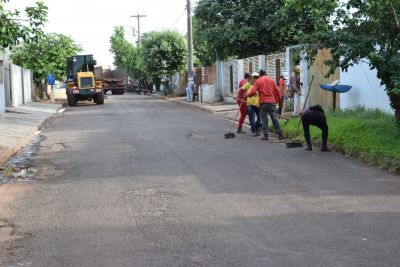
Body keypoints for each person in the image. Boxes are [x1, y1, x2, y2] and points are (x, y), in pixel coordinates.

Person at [247, 69, 284, 141]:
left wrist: (248, 95)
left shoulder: (258, 81)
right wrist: (279, 100)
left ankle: (266, 136)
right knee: (275, 119)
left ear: (260, 75)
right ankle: (280, 135)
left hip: (263, 103)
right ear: (266, 74)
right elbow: (278, 91)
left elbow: (253, 91)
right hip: (271, 102)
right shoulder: (271, 80)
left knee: (264, 119)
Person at [243, 72, 261, 136]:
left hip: (258, 104)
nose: (255, 79)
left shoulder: (259, 85)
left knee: (259, 118)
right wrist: (236, 95)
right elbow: (241, 89)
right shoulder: (248, 84)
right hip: (250, 104)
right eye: (254, 78)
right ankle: (254, 131)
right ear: (252, 78)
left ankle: (255, 129)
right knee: (252, 118)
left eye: (257, 78)